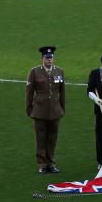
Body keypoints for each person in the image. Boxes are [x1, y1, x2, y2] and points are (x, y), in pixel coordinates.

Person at [26, 45, 66, 174]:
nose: (49, 60)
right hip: (39, 111)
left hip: (55, 111)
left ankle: (51, 163)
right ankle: (42, 164)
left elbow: (62, 92)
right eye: (47, 58)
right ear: (42, 58)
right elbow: (29, 92)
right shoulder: (35, 72)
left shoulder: (59, 71)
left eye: (51, 57)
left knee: (52, 138)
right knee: (41, 138)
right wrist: (29, 109)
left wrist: (62, 108)